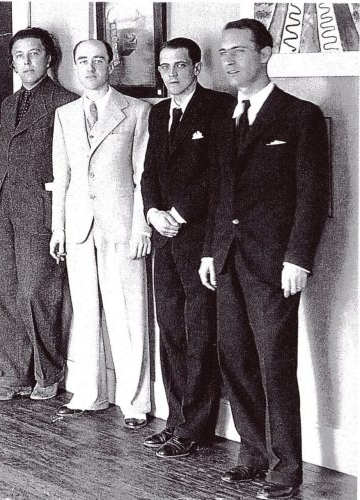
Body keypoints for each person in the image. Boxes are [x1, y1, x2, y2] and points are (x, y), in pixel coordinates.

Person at [198, 19, 329, 499]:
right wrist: (211, 250)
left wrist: (298, 258)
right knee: (235, 359)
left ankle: (286, 467)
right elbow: (220, 196)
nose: (228, 61)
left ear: (266, 53)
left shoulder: (300, 116)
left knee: (275, 364)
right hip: (228, 261)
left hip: (275, 264)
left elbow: (312, 195)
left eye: (238, 51)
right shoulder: (225, 119)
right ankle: (252, 453)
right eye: (223, 53)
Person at [139, 37, 235, 458]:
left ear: (197, 68)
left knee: (200, 334)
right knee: (170, 331)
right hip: (164, 238)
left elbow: (217, 176)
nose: (171, 73)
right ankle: (176, 420)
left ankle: (197, 428)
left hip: (198, 240)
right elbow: (149, 173)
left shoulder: (218, 108)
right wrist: (153, 213)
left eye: (180, 65)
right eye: (164, 67)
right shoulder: (159, 114)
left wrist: (177, 213)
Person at [49, 39, 152, 429]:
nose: (90, 67)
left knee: (127, 314)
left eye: (98, 60)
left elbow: (144, 177)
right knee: (86, 313)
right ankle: (90, 393)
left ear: (112, 65)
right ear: (75, 66)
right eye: (83, 61)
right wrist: (58, 228)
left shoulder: (136, 111)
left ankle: (135, 402)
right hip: (79, 226)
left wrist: (141, 224)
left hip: (122, 225)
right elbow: (63, 177)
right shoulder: (65, 114)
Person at [0, 28, 77, 402]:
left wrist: (59, 215)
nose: (26, 62)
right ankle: (13, 375)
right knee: (2, 290)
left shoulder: (65, 102)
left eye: (34, 54)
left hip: (40, 208)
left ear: (48, 58)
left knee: (38, 291)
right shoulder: (8, 103)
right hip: (2, 205)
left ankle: (47, 373)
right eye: (19, 55)